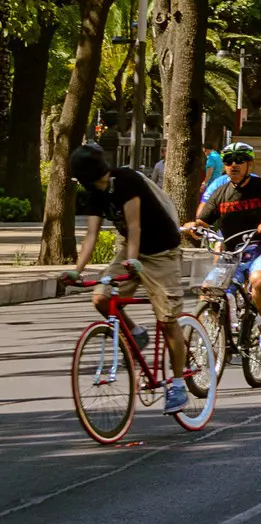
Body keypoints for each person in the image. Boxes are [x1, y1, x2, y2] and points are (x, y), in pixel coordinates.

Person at [66, 144, 195, 413]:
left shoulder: (126, 180)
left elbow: (135, 226)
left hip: (161, 251)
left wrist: (133, 262)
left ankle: (178, 386)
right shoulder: (95, 194)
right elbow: (91, 236)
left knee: (168, 319)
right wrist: (77, 270)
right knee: (101, 298)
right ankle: (136, 332)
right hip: (130, 251)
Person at [192, 141, 261, 354]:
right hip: (232, 253)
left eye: (239, 160)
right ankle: (213, 333)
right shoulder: (220, 192)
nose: (233, 165)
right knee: (208, 290)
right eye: (228, 161)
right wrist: (194, 226)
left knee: (258, 280)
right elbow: (203, 219)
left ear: (249, 165)